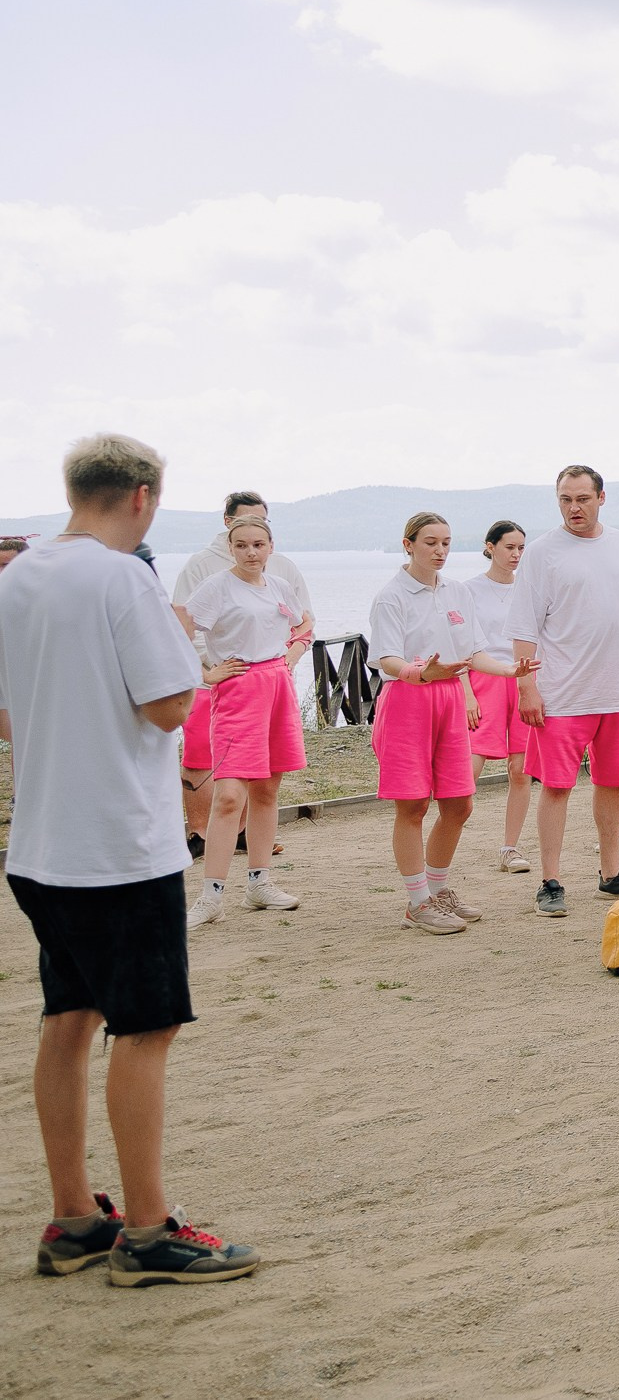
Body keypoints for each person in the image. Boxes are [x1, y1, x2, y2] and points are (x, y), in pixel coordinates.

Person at [2, 434, 258, 1285]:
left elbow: (7, 715)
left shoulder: (21, 576)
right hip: (118, 846)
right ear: (143, 496)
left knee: (67, 1021)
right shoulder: (124, 579)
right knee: (145, 1029)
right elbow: (166, 703)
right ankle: (150, 1232)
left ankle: (74, 1215)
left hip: (42, 842)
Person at [509, 466, 619, 916]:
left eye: (582, 498)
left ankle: (612, 873)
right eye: (565, 499)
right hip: (563, 693)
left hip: (618, 691)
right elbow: (524, 626)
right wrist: (527, 688)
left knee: (613, 782)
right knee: (557, 787)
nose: (574, 507)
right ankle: (550, 879)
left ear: (602, 497)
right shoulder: (542, 553)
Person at [373, 514, 530, 934]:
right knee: (413, 805)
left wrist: (509, 671)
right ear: (408, 545)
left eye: (445, 542)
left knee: (459, 803)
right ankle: (417, 902)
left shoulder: (457, 591)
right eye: (430, 543)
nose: (439, 551)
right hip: (407, 701)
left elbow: (474, 652)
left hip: (447, 699)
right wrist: (420, 673)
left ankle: (436, 889)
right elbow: (385, 658)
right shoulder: (392, 596)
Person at [172, 515, 311, 928]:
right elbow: (177, 625)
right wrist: (203, 672)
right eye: (242, 545)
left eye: (258, 544)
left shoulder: (280, 585)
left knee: (268, 790)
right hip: (237, 688)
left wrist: (291, 655)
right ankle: (211, 895)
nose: (251, 552)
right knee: (230, 795)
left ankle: (259, 883)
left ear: (270, 546)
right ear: (231, 548)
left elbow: (304, 622)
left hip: (277, 686)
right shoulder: (216, 587)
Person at [463, 520, 535, 872]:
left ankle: (510, 847)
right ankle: (448, 833)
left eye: (521, 547)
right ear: (490, 546)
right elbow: (460, 646)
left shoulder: (529, 588)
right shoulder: (469, 590)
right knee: (470, 767)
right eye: (509, 547)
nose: (516, 554)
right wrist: (466, 694)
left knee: (521, 769)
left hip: (522, 678)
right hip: (484, 678)